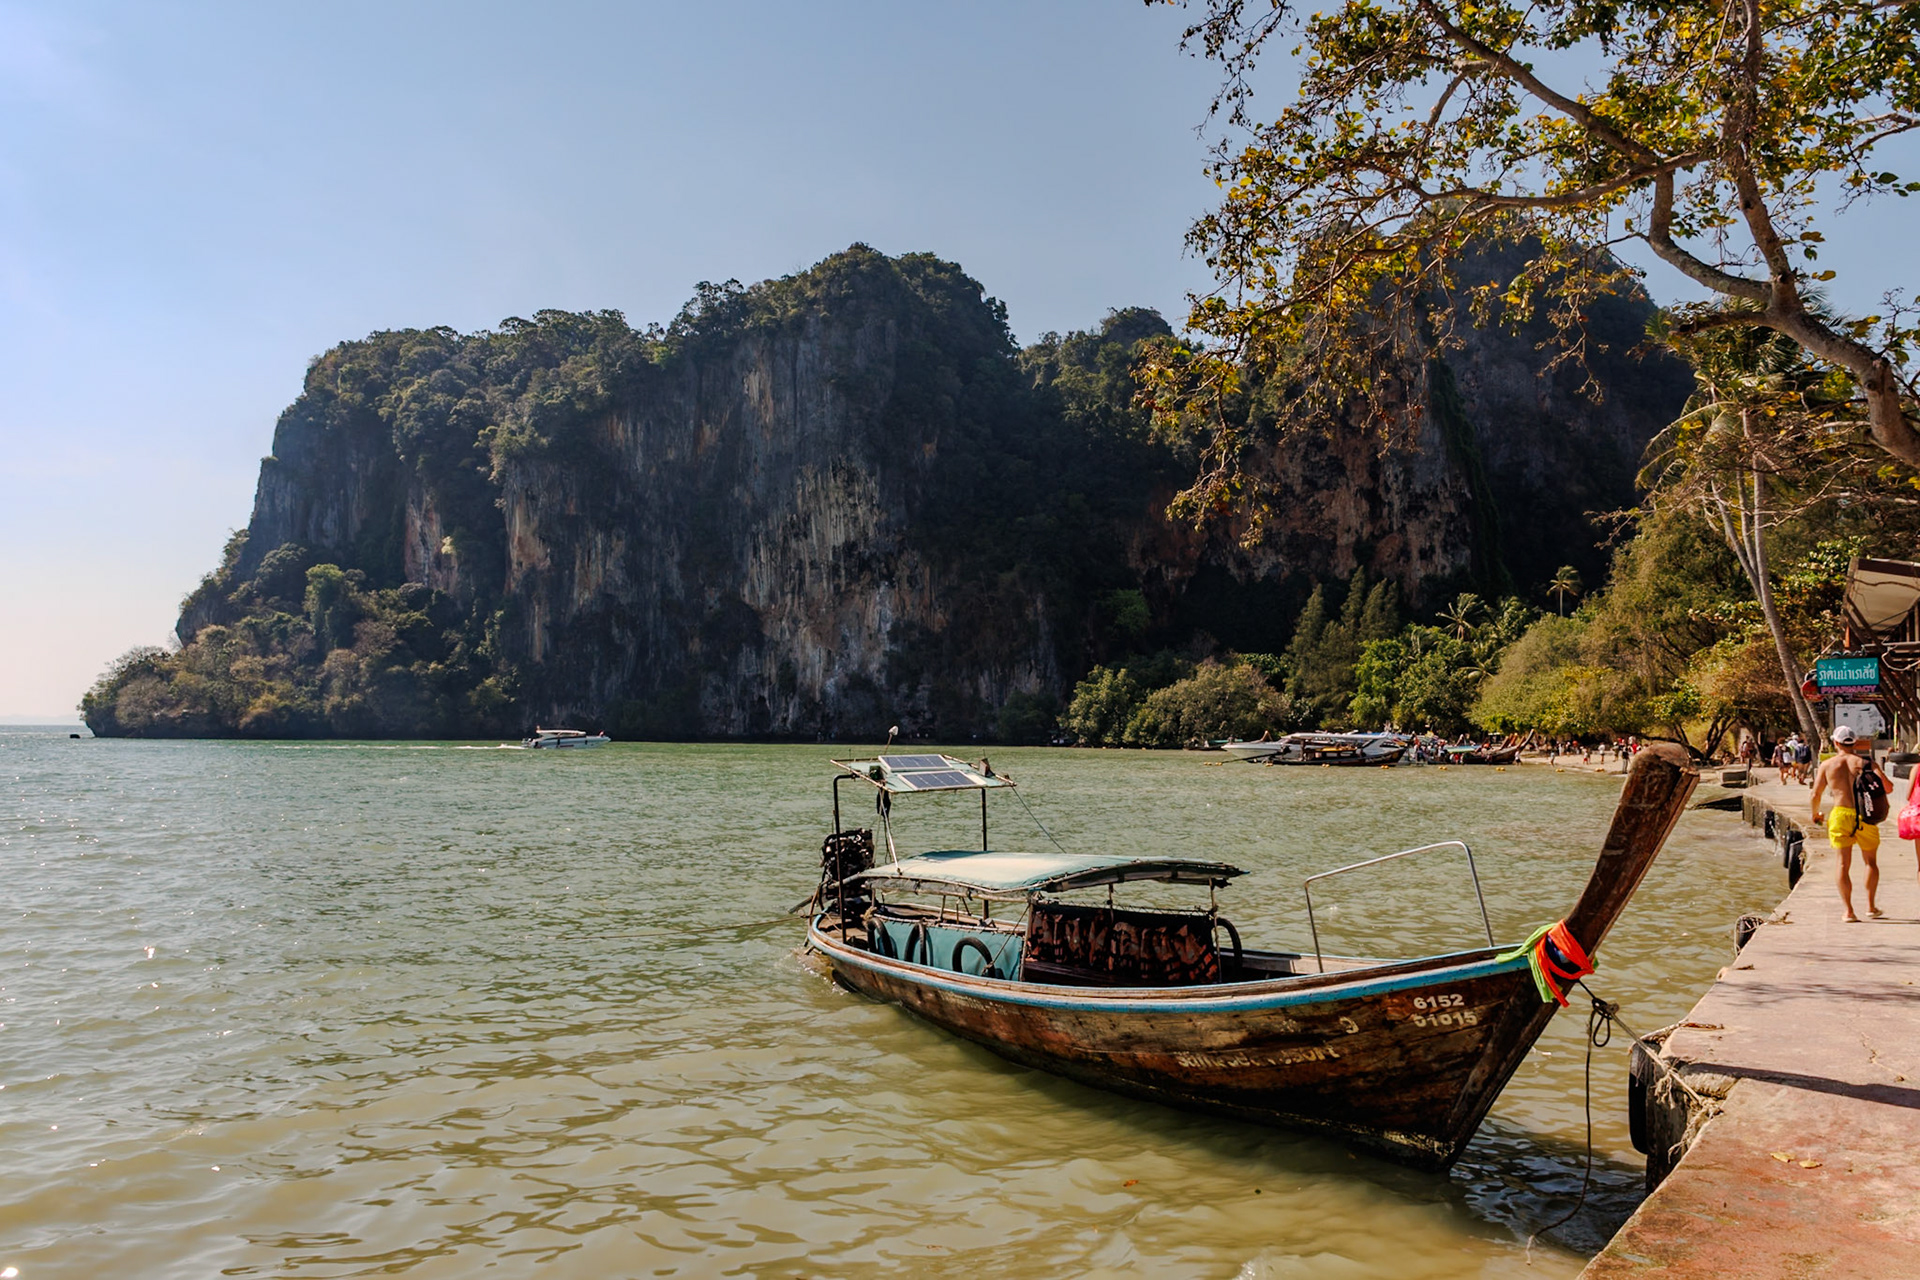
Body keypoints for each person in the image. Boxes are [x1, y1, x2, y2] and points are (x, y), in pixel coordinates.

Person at [1810, 725, 1892, 923]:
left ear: (1835, 743)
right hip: (1866, 815)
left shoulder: (1827, 765)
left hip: (1840, 814)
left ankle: (1848, 911)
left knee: (1842, 864)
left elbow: (1815, 794)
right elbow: (1888, 787)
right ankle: (1871, 907)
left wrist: (1815, 814)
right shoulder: (1866, 763)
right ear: (1854, 743)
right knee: (1870, 862)